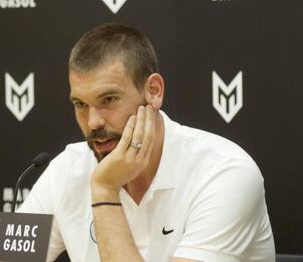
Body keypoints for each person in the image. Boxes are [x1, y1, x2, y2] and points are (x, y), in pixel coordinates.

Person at [18, 23, 275, 261]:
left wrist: (105, 190)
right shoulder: (66, 170)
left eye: (108, 99)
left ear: (153, 91)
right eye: (81, 104)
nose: (93, 122)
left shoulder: (225, 172)